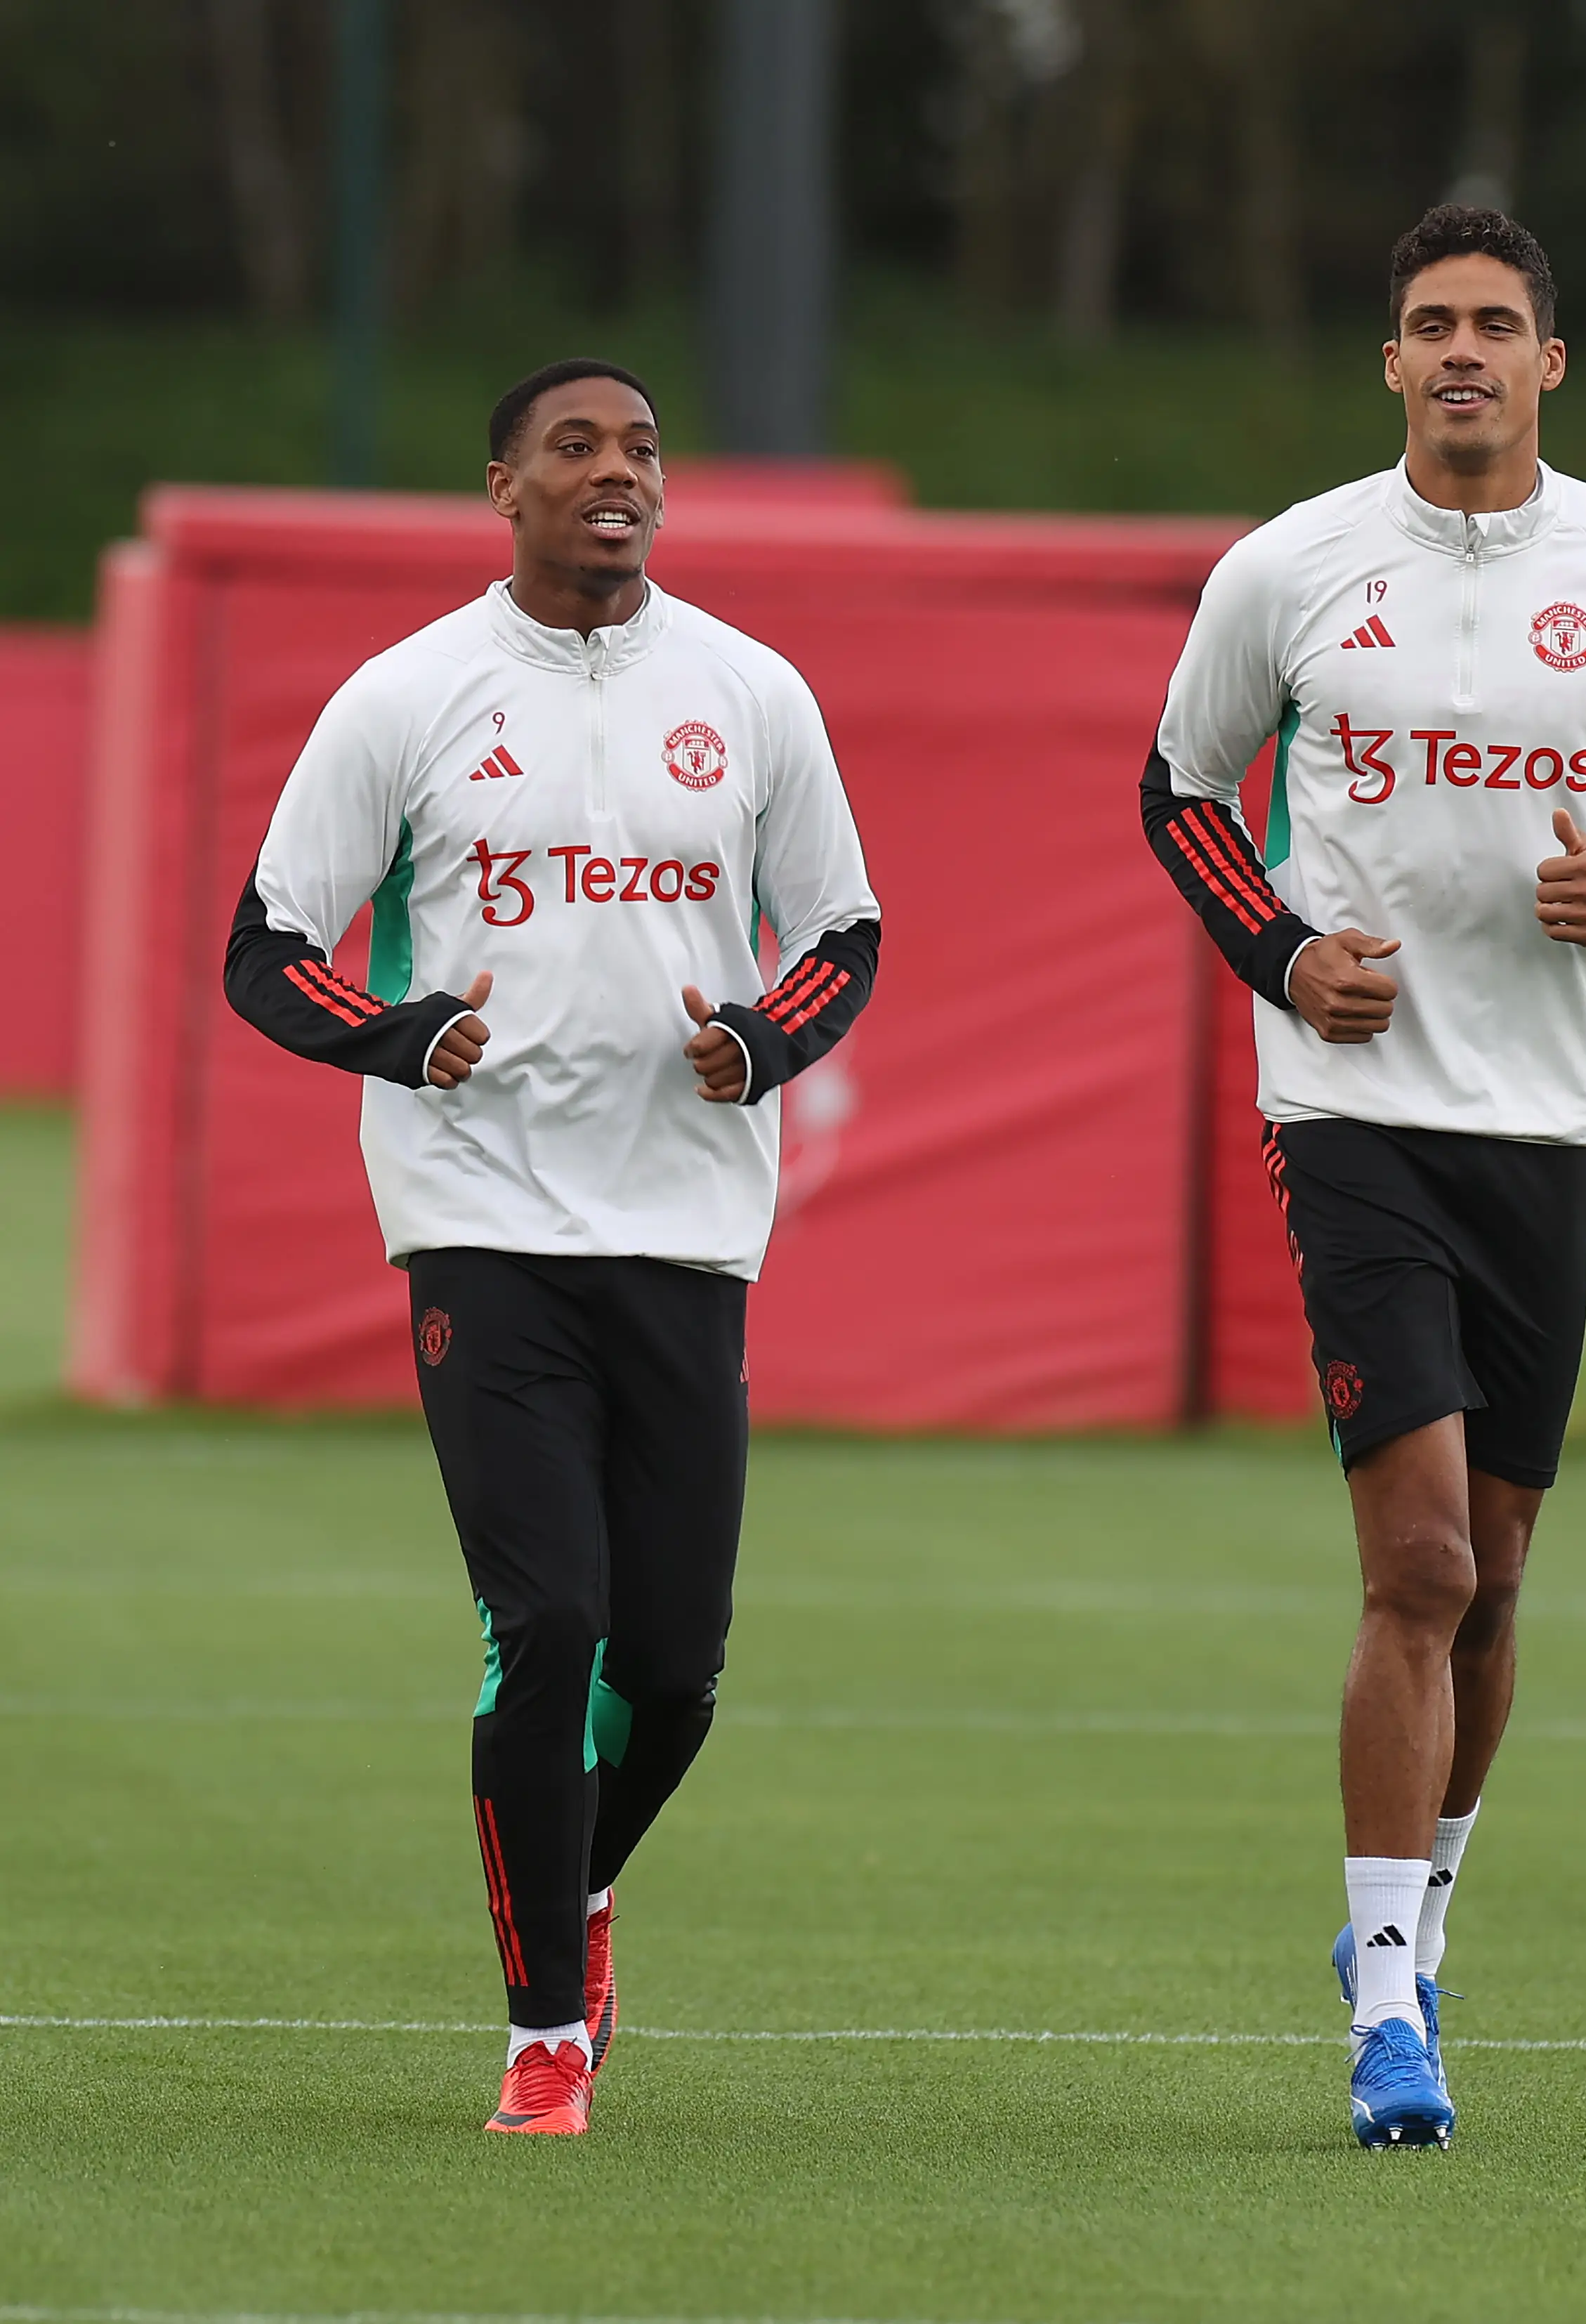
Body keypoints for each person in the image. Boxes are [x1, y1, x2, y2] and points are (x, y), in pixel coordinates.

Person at [1141, 207, 1586, 2149]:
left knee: (1492, 1584)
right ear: (1391, 363)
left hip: (1544, 1130)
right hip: (1356, 1115)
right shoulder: (1296, 567)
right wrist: (1280, 954)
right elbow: (1183, 789)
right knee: (1413, 1560)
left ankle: (1415, 1909)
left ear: (1550, 362)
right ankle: (1390, 2010)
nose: (1466, 352)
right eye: (1432, 325)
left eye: (1498, 323)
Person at [224, 358, 880, 2136]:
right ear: (500, 484)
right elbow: (270, 949)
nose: (617, 474)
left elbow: (844, 932)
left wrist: (762, 1041)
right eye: (575, 448)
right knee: (552, 1621)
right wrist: (398, 1029)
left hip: (686, 1231)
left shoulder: (752, 695)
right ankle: (542, 2032)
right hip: (479, 1223)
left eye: (643, 450)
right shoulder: (408, 696)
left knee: (674, 1666)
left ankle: (578, 1885)